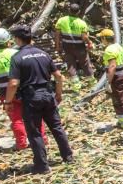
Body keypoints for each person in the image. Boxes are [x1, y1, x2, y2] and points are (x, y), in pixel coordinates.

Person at [5, 24, 73, 174]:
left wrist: (8, 102)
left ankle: (42, 165)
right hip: (48, 95)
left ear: (17, 39)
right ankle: (68, 156)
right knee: (56, 127)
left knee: (35, 131)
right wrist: (59, 93)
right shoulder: (43, 54)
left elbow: (14, 83)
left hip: (31, 98)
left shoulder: (17, 58)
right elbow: (59, 76)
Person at [0, 27, 41, 150]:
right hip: (25, 90)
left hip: (6, 94)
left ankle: (22, 144)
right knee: (34, 116)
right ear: (8, 40)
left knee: (16, 119)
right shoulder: (15, 53)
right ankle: (43, 140)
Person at [53, 4, 94, 89]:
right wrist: (89, 43)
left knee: (71, 65)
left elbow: (57, 35)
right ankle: (92, 83)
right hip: (79, 47)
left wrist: (57, 46)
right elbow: (84, 37)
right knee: (85, 63)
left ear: (69, 10)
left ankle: (76, 86)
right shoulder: (81, 23)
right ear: (78, 12)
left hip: (67, 46)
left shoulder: (61, 20)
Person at [98, 29, 123, 130]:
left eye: (101, 38)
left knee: (118, 100)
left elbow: (112, 66)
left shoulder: (109, 50)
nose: (101, 40)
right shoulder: (118, 46)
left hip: (117, 77)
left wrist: (108, 82)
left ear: (104, 38)